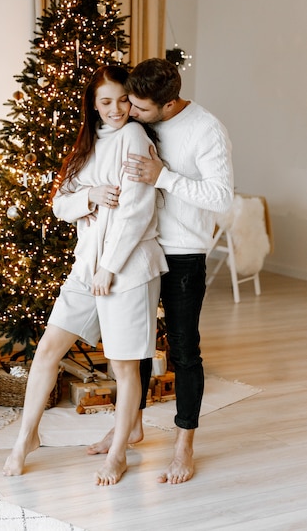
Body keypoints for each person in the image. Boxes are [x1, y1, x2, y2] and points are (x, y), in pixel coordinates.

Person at [3, 65, 167, 485]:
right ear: (93, 106)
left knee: (123, 365)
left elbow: (136, 210)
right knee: (47, 351)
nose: (117, 109)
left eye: (123, 100)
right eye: (106, 102)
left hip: (127, 268)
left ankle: (118, 454)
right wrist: (88, 196)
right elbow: (60, 203)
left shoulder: (134, 137)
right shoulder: (89, 145)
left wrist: (110, 268)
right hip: (86, 266)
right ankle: (25, 439)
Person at [87, 58, 234, 485]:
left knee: (185, 352)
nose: (129, 112)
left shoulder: (206, 130)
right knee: (136, 347)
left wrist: (164, 176)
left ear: (168, 105)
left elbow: (222, 198)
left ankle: (183, 446)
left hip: (184, 255)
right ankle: (130, 427)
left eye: (140, 108)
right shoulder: (135, 122)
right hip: (140, 250)